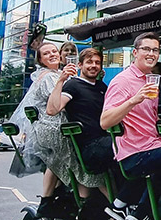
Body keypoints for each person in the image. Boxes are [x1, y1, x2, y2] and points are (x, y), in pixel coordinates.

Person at [9, 42, 105, 216]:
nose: (52, 54)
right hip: (53, 126)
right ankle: (70, 203)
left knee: (59, 161)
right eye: (46, 53)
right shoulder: (48, 77)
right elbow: (55, 106)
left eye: (54, 51)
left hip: (58, 125)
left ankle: (55, 198)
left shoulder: (59, 73)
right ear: (40, 60)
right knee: (78, 163)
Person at [100, 32, 161, 220]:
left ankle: (123, 206)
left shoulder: (150, 81)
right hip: (134, 152)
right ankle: (144, 212)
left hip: (151, 145)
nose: (151, 54)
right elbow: (105, 122)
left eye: (155, 50)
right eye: (146, 49)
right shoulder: (122, 81)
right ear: (135, 53)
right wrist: (133, 100)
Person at [46, 47, 115, 176]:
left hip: (106, 140)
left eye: (97, 62)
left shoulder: (101, 86)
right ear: (80, 65)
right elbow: (52, 110)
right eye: (89, 62)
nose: (93, 65)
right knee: (125, 146)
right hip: (90, 147)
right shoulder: (73, 85)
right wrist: (61, 80)